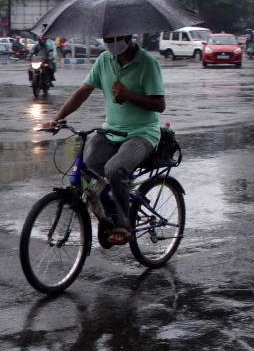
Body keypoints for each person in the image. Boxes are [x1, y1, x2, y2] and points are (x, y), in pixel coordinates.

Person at [41, 34, 166, 245]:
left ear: (128, 36)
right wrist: (57, 119)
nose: (110, 43)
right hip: (110, 131)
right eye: (107, 39)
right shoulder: (104, 59)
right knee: (85, 171)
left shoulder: (147, 63)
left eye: (114, 38)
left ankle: (124, 224)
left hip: (142, 133)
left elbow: (159, 105)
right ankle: (107, 216)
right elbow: (83, 91)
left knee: (114, 169)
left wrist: (129, 96)